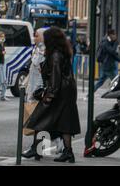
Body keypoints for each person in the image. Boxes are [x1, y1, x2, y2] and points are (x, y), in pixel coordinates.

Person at [25, 27, 81, 163]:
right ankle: (68, 152)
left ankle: (36, 149)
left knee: (40, 118)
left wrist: (48, 95)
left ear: (51, 39)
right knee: (64, 123)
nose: (44, 39)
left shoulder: (55, 54)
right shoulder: (62, 51)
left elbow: (55, 77)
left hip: (59, 92)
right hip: (67, 91)